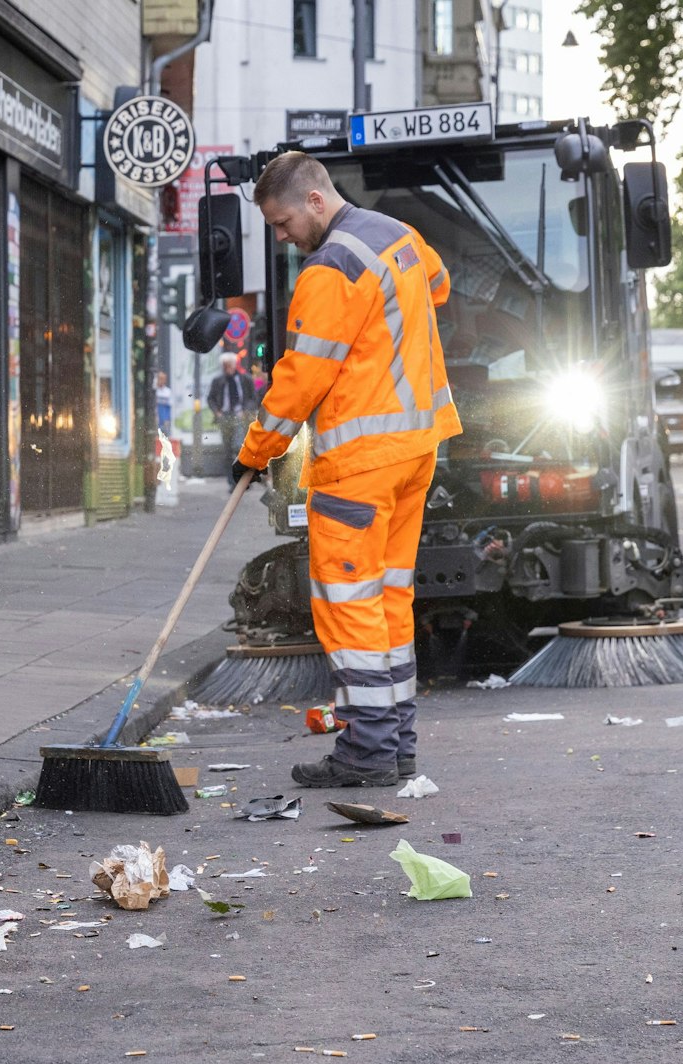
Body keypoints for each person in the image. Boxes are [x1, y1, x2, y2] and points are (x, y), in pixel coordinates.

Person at [231, 152, 461, 788]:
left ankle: (366, 754)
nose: (281, 237)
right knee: (387, 600)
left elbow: (301, 378)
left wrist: (255, 452)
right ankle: (397, 747)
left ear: (313, 201)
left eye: (281, 223)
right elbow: (437, 286)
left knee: (348, 604)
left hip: (359, 464)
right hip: (417, 448)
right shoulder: (397, 236)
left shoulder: (330, 269)